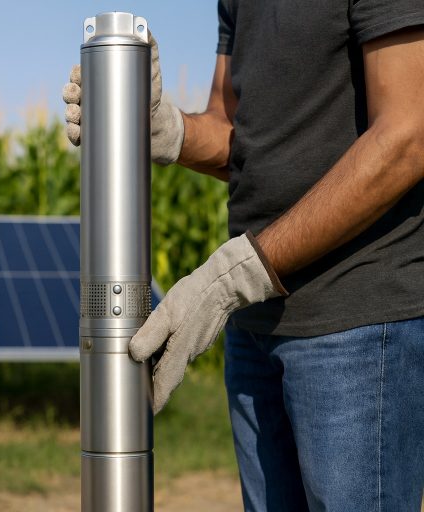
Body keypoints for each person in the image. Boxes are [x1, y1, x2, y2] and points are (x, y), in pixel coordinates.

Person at [63, 2, 424, 511]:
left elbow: (409, 135)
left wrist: (235, 275)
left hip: (354, 327)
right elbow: (241, 136)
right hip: (255, 325)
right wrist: (165, 127)